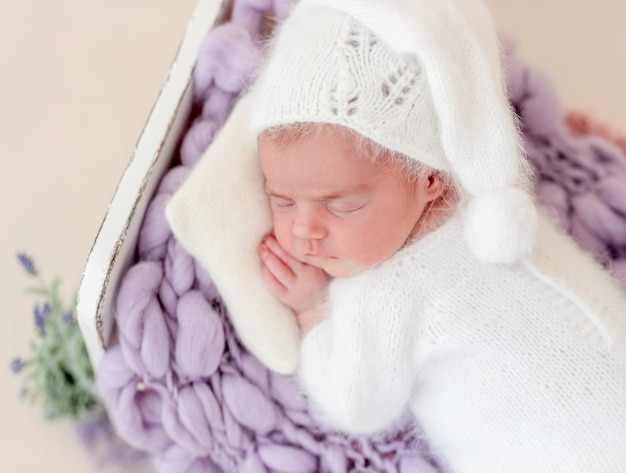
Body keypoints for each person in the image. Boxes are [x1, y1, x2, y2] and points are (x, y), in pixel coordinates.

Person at [248, 0, 626, 471]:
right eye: (281, 200)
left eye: (342, 206)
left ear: (430, 180)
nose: (304, 229)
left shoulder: (387, 291)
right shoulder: (490, 201)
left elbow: (357, 404)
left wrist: (312, 310)